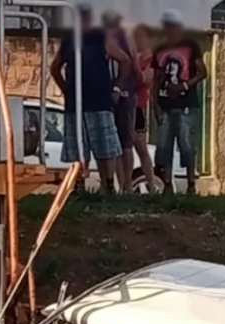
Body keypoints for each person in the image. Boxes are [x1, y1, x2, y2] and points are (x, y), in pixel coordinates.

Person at [50, 2, 129, 193]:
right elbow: (55, 67)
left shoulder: (100, 36)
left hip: (100, 100)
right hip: (75, 104)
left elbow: (125, 60)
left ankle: (108, 184)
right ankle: (78, 184)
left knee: (105, 147)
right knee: (77, 146)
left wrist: (117, 89)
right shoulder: (69, 39)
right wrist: (66, 89)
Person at [152, 9, 207, 195]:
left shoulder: (190, 46)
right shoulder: (159, 51)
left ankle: (191, 185)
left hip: (186, 106)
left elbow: (202, 72)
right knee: (164, 146)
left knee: (187, 145)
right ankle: (167, 185)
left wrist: (184, 86)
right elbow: (156, 79)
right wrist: (156, 105)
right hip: (166, 106)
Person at [103, 11, 137, 193]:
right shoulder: (101, 37)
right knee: (115, 144)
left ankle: (128, 184)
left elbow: (133, 62)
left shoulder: (125, 36)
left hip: (124, 95)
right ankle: (121, 183)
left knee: (124, 143)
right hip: (109, 97)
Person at [132, 24, 157, 193]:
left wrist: (133, 66)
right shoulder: (132, 55)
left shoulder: (150, 59)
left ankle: (152, 184)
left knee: (141, 148)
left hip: (138, 106)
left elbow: (146, 80)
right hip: (126, 106)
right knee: (123, 148)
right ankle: (125, 186)